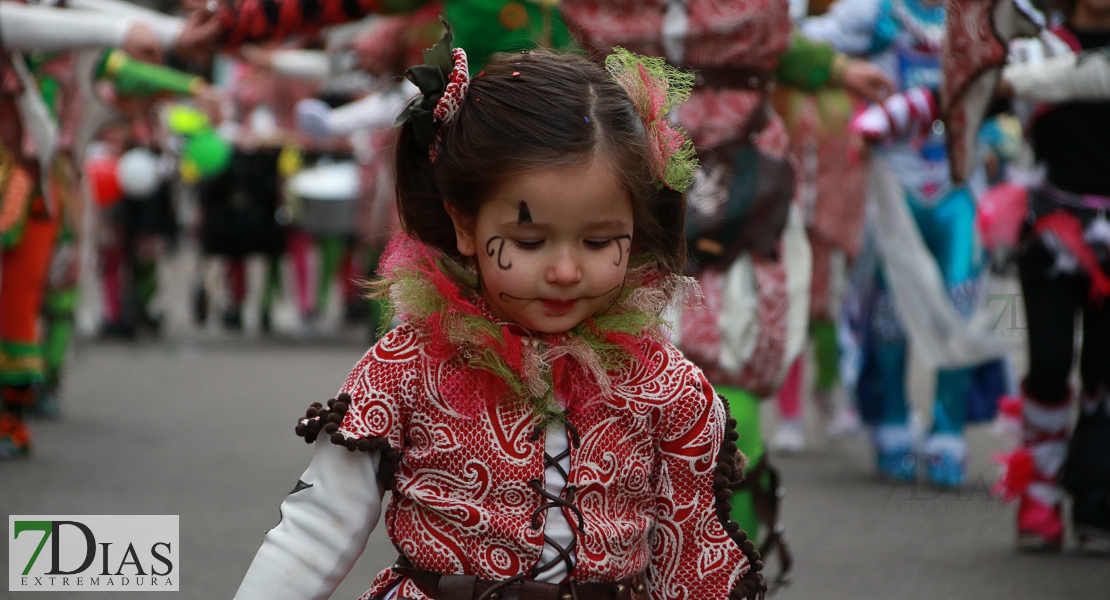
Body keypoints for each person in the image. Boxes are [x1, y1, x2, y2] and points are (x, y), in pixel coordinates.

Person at [233, 35, 764, 600]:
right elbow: (316, 531)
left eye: (598, 240)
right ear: (465, 225)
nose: (565, 270)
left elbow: (688, 561)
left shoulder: (668, 388)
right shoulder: (407, 370)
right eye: (530, 242)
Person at [992, 0, 1110, 553]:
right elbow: (966, 99)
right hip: (1051, 230)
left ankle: (1096, 497)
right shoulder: (1034, 51)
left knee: (1104, 372)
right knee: (1050, 363)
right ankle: (1038, 496)